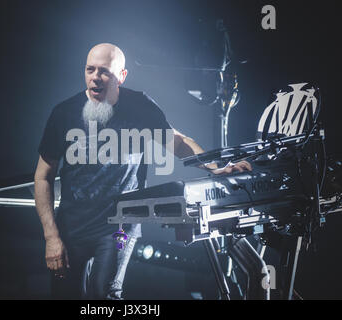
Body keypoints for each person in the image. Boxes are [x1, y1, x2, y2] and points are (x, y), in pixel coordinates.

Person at [34, 43, 251, 300]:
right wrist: (51, 237)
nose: (95, 77)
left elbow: (178, 142)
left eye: (104, 72)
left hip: (119, 226)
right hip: (71, 228)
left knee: (104, 295)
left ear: (121, 77)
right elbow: (43, 176)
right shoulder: (64, 113)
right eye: (90, 69)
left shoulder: (139, 106)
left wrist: (217, 167)